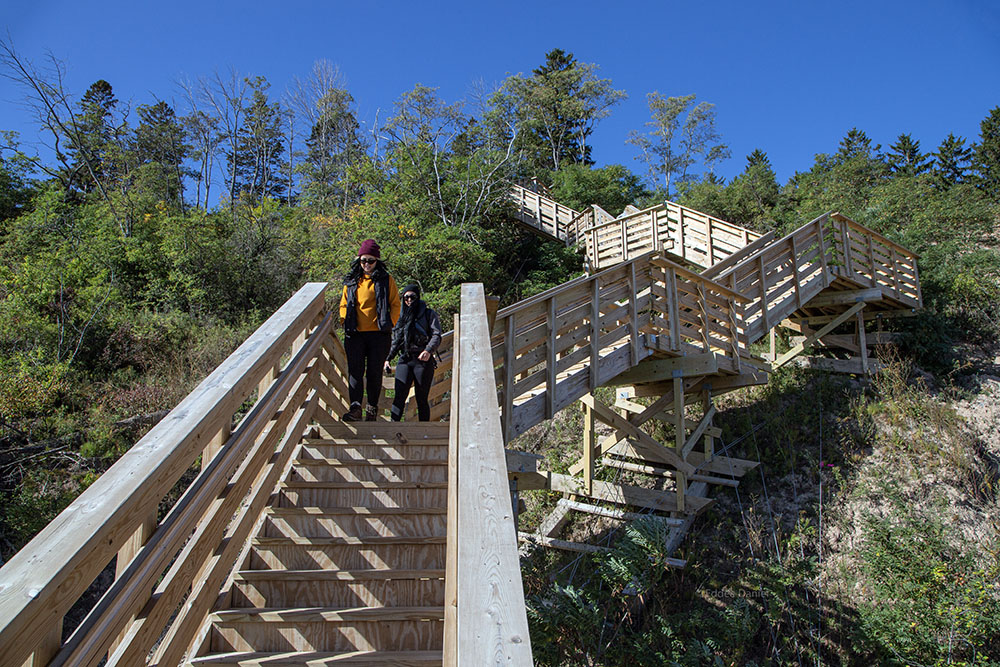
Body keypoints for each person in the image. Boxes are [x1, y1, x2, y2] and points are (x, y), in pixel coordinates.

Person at [340, 239, 400, 421]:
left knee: (374, 372)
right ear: (359, 260)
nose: (366, 264)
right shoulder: (351, 280)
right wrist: (344, 320)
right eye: (363, 260)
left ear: (377, 262)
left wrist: (391, 322)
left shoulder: (386, 280)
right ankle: (355, 408)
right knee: (355, 371)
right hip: (355, 334)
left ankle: (372, 410)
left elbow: (396, 304)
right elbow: (343, 303)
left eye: (371, 261)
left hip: (379, 335)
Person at [384, 284, 442, 422]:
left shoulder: (428, 314)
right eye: (406, 298)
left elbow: (437, 334)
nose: (409, 300)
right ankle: (393, 429)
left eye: (412, 297)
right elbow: (396, 340)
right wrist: (387, 359)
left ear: (418, 297)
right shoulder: (401, 316)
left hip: (422, 359)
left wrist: (428, 350)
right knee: (399, 396)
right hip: (405, 358)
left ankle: (424, 431)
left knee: (422, 398)